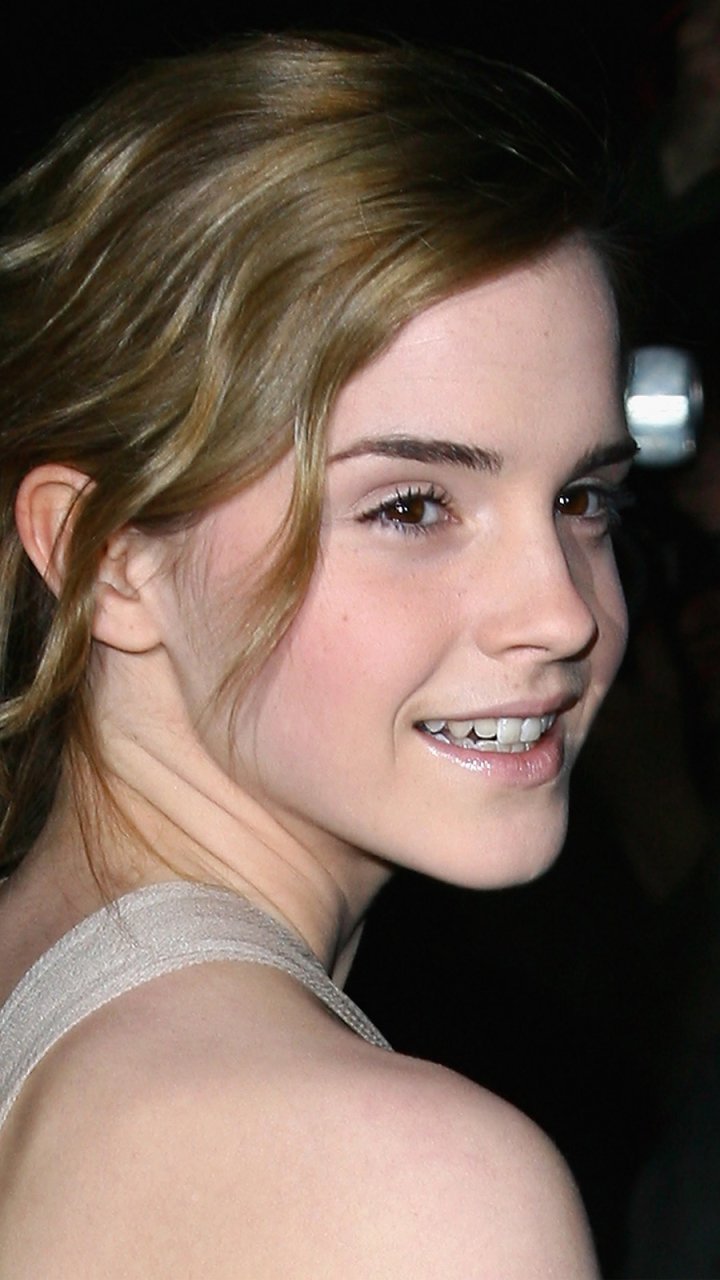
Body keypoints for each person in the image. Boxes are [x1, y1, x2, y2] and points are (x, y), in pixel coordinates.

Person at [0, 32, 635, 1276]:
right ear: (105, 557)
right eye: (411, 506)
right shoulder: (413, 1187)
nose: (561, 611)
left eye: (583, 499)